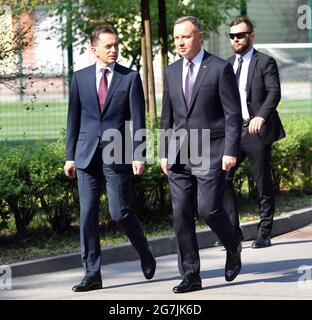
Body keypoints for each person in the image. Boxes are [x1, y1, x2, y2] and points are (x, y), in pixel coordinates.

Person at [64, 25, 156, 292]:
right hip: (86, 156)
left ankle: (145, 251)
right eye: (108, 46)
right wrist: (70, 157)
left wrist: (139, 154)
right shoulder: (79, 78)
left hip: (117, 153)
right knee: (88, 214)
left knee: (119, 212)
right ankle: (92, 274)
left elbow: (139, 119)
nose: (114, 49)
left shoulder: (130, 78)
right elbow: (74, 120)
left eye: (116, 44)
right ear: (94, 49)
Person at [160, 16, 242, 294]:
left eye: (185, 36)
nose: (180, 42)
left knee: (208, 209)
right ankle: (191, 274)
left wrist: (231, 150)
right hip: (179, 154)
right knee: (181, 214)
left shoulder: (220, 68)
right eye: (176, 38)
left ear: (199, 36)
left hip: (212, 151)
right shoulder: (170, 71)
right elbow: (166, 117)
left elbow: (233, 115)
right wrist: (163, 152)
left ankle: (233, 245)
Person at [223, 17, 285, 248]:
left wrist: (261, 116)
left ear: (252, 36)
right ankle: (233, 232)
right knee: (223, 176)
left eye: (240, 35)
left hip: (257, 129)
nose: (236, 39)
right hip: (234, 131)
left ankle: (264, 232)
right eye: (232, 36)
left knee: (262, 182)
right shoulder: (226, 65)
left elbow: (274, 92)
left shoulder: (265, 62)